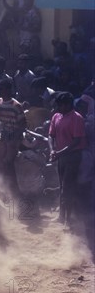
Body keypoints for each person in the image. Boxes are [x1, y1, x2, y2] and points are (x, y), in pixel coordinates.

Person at [48, 92, 86, 226]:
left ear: (69, 104)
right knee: (62, 186)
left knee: (67, 188)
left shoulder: (77, 118)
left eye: (61, 104)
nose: (59, 107)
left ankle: (68, 219)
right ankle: (61, 216)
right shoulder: (56, 116)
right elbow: (51, 135)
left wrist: (59, 153)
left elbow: (76, 141)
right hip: (61, 156)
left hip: (73, 156)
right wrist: (52, 150)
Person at [0, 78, 26, 192]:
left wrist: (15, 142)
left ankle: (14, 188)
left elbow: (22, 125)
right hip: (4, 134)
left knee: (8, 161)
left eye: (1, 89)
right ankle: (6, 182)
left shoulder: (16, 106)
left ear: (8, 90)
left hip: (14, 136)